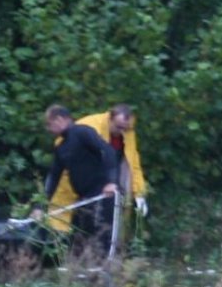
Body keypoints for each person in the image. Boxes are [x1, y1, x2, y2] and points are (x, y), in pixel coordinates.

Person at [48, 104, 148, 235]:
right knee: (80, 231)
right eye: (118, 127)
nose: (121, 132)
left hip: (108, 189)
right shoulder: (87, 128)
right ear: (110, 119)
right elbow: (61, 169)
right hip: (86, 189)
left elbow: (132, 162)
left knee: (107, 232)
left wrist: (138, 193)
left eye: (125, 129)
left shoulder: (127, 130)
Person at [38, 104, 119, 257]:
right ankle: (79, 274)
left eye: (49, 124)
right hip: (83, 198)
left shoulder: (82, 132)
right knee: (78, 235)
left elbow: (107, 151)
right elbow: (54, 177)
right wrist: (40, 206)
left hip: (102, 193)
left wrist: (111, 181)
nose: (48, 129)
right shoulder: (61, 147)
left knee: (102, 236)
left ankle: (104, 273)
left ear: (60, 119)